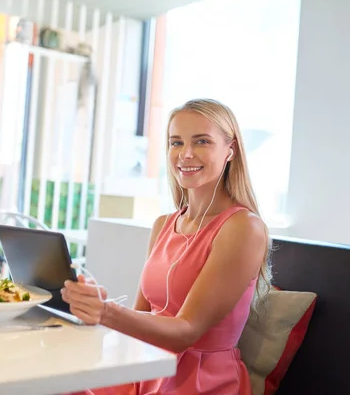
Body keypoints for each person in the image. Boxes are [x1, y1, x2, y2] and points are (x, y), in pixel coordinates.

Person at [62, 98, 272, 395]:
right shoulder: (164, 224)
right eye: (176, 143)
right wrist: (90, 304)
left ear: (231, 150)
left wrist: (106, 312)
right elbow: (139, 319)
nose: (185, 154)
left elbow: (185, 333)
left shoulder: (243, 228)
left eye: (201, 141)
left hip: (199, 381)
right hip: (144, 366)